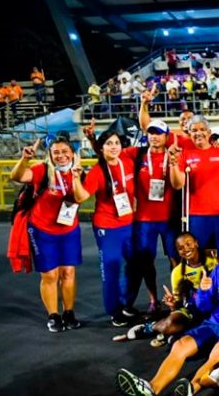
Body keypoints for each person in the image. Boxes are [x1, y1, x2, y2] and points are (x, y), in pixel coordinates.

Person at [115, 227, 219, 396]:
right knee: (180, 345)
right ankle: (151, 389)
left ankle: (189, 390)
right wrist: (203, 291)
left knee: (218, 354)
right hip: (213, 323)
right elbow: (204, 307)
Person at [9, 136, 83, 332]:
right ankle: (53, 315)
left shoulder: (78, 172)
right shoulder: (42, 170)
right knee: (50, 274)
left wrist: (77, 177)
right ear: (50, 154)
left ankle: (69, 313)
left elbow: (83, 196)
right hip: (42, 230)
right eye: (56, 152)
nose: (61, 156)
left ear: (72, 153)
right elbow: (17, 176)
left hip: (69, 229)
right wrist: (25, 159)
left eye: (65, 151)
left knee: (68, 272)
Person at [72, 131, 137, 326]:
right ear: (101, 149)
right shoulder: (97, 172)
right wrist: (76, 178)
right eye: (109, 143)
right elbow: (81, 197)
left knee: (135, 265)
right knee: (111, 269)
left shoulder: (127, 162)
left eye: (116, 142)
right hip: (108, 227)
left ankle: (125, 303)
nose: (114, 146)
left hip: (129, 223)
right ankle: (114, 310)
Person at [124, 119, 178, 314]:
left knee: (175, 260)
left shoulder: (174, 155)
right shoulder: (137, 154)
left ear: (166, 136)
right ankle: (153, 300)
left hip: (170, 218)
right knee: (147, 262)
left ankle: (177, 298)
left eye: (158, 133)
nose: (154, 137)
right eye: (151, 133)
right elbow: (109, 152)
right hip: (144, 219)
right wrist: (93, 141)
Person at [167, 115, 219, 260]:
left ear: (209, 132)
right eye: (194, 130)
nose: (199, 133)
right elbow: (178, 184)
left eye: (202, 129)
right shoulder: (185, 154)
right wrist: (173, 164)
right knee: (198, 257)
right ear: (189, 133)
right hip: (197, 215)